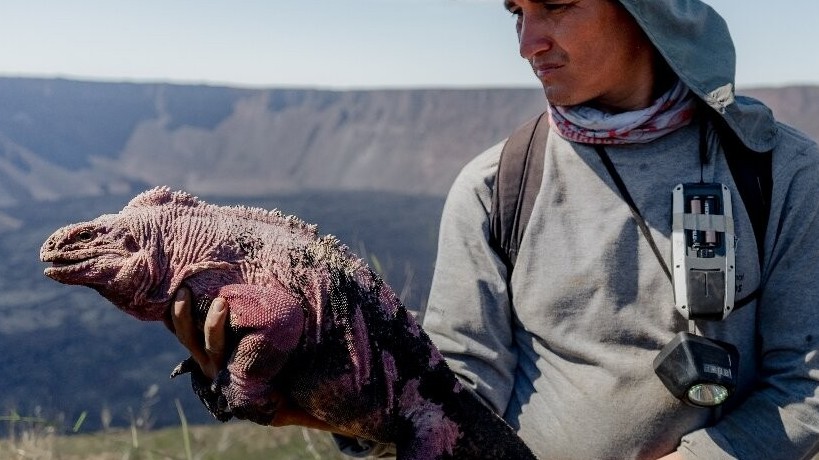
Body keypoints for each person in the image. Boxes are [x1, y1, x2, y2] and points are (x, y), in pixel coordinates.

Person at [169, 0, 819, 458]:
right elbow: (459, 387)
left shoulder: (779, 173)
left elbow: (805, 385)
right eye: (516, 11)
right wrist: (315, 385)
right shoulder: (497, 184)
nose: (526, 42)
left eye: (556, 5)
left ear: (650, 11)